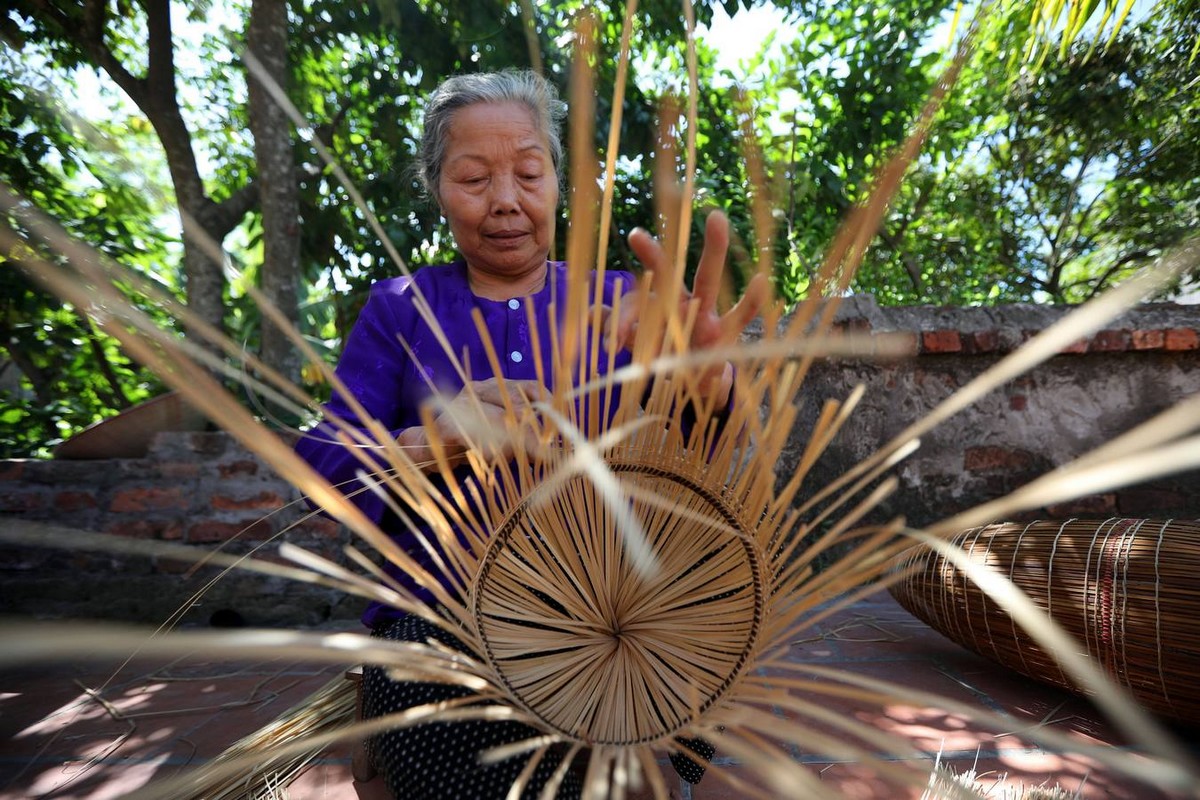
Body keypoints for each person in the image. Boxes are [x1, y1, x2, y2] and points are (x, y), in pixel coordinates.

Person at [296, 69, 766, 800]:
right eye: (475, 177)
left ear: (557, 181)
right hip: (442, 627)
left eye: (528, 172)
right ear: (438, 188)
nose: (507, 201)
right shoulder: (400, 310)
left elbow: (710, 448)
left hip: (619, 616)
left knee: (647, 739)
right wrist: (436, 435)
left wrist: (714, 388)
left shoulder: (623, 301)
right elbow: (321, 471)